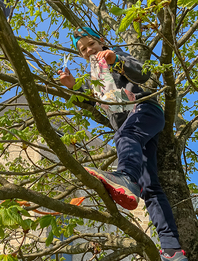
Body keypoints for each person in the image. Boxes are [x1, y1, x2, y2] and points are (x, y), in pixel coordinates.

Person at [58, 26, 188, 261]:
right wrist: (73, 86)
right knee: (150, 188)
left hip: (145, 110)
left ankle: (126, 177)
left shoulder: (114, 54)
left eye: (91, 44)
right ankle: (172, 249)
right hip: (131, 128)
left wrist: (116, 59)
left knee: (125, 137)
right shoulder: (96, 76)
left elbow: (142, 74)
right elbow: (95, 103)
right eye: (83, 49)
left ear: (102, 42)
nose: (88, 50)